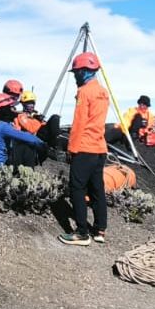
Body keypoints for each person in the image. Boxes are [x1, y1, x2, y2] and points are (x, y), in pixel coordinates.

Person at [61, 51, 109, 246]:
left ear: (83, 71)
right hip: (100, 148)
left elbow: (79, 122)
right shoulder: (103, 92)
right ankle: (100, 229)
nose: (75, 76)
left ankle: (81, 232)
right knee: (97, 189)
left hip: (84, 148)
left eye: (76, 73)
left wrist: (71, 149)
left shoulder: (84, 92)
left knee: (77, 188)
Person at [0, 94, 48, 168]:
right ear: (3, 109)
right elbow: (28, 138)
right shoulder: (3, 126)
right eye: (10, 107)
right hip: (0, 165)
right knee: (27, 146)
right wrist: (43, 145)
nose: (12, 109)